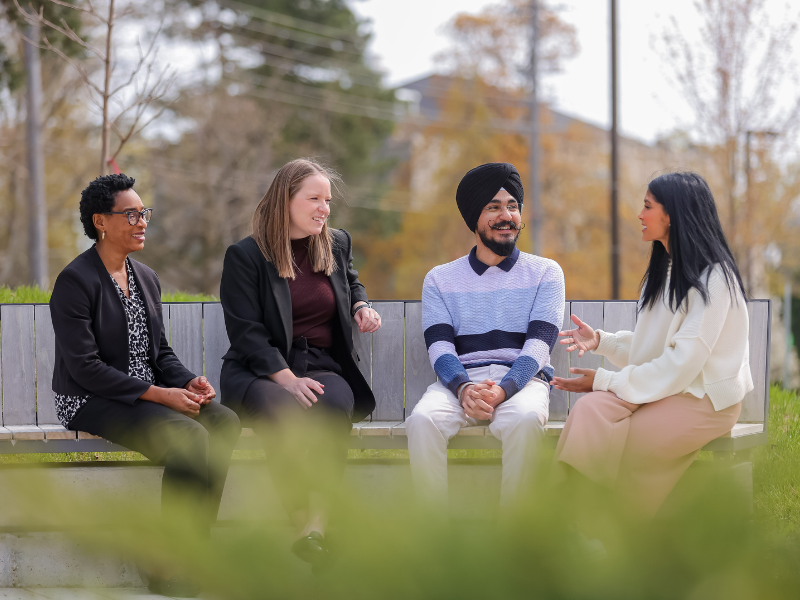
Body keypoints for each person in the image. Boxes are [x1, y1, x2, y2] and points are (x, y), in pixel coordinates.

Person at [50, 173, 241, 597]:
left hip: (146, 394)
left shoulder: (146, 277)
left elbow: (160, 354)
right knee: (188, 436)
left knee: (223, 422)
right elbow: (84, 368)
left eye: (144, 213)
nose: (142, 223)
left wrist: (189, 381)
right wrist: (161, 395)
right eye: (132, 215)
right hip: (88, 398)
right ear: (101, 221)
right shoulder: (75, 281)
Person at [552, 171, 752, 517]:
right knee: (588, 411)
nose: (640, 215)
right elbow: (654, 351)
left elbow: (682, 363)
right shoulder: (662, 274)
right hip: (664, 387)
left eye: (647, 206)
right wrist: (602, 342)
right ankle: (570, 521)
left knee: (625, 445)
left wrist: (605, 380)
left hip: (705, 399)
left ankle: (603, 531)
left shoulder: (716, 279)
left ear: (672, 214)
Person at [219, 158, 381, 572]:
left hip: (323, 364)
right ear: (285, 200)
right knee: (284, 411)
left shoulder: (335, 243)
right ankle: (301, 525)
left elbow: (350, 280)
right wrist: (287, 379)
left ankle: (316, 527)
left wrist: (360, 304)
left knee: (333, 407)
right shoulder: (246, 256)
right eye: (314, 199)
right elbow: (246, 332)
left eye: (328, 200)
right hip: (261, 370)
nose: (324, 208)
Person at [405, 162, 566, 509]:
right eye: (493, 207)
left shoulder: (546, 273)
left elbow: (539, 345)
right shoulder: (439, 279)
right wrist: (464, 389)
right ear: (474, 217)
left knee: (525, 420)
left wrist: (503, 390)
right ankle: (433, 533)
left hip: (522, 382)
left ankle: (514, 533)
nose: (506, 216)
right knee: (422, 420)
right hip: (460, 384)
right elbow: (440, 347)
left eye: (512, 206)